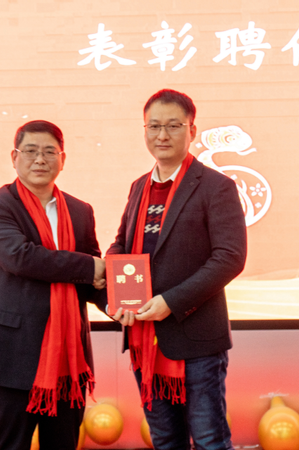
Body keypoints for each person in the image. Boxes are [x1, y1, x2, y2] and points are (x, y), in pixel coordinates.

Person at [107, 89, 247, 450]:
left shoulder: (216, 187)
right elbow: (121, 245)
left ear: (192, 130)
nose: (162, 135)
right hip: (144, 338)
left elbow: (230, 258)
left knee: (210, 440)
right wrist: (115, 294)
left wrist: (171, 301)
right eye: (154, 126)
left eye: (173, 126)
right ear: (145, 130)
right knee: (166, 440)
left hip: (197, 340)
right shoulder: (139, 187)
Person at [0, 120, 106, 450]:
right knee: (11, 444)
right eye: (30, 151)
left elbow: (92, 280)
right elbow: (21, 258)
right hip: (13, 353)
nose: (40, 159)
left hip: (69, 359)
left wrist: (123, 303)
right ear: (14, 157)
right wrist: (90, 267)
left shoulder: (80, 211)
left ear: (62, 159)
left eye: (49, 152)